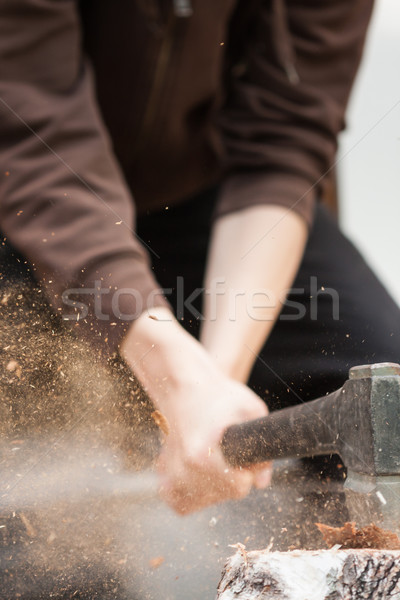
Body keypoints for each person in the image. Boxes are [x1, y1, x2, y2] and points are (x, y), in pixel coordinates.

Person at [0, 0, 399, 517]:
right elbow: (35, 137)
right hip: (24, 195)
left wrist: (209, 389)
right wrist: (171, 371)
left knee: (387, 396)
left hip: (211, 195)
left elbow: (282, 138)